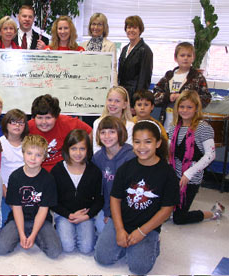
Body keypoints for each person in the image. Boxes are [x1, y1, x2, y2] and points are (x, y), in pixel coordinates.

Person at [94, 120, 179, 274]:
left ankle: (154, 243)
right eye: (137, 142)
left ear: (158, 143)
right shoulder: (126, 168)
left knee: (139, 269)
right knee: (102, 258)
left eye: (148, 142)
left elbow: (166, 209)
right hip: (121, 221)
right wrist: (119, 229)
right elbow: (115, 199)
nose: (142, 147)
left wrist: (142, 232)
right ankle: (127, 244)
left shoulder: (167, 174)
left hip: (148, 226)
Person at [0, 134, 62, 258]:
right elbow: (16, 207)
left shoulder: (48, 179)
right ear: (23, 153)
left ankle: (34, 235)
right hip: (18, 218)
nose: (33, 158)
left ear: (44, 158)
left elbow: (43, 209)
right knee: (1, 248)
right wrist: (21, 234)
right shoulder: (15, 177)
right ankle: (26, 234)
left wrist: (33, 234)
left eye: (38, 155)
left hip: (40, 220)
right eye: (29, 153)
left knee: (55, 252)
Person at [169, 90, 224, 224]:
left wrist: (188, 174)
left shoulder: (203, 128)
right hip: (174, 175)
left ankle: (213, 212)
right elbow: (170, 153)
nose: (185, 110)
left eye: (189, 107)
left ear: (196, 109)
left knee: (179, 219)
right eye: (182, 107)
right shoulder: (174, 127)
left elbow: (210, 155)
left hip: (191, 178)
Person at [51, 129, 103, 254]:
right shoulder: (57, 170)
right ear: (67, 149)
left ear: (88, 150)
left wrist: (87, 216)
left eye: (82, 149)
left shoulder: (94, 171)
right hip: (64, 214)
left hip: (86, 214)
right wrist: (69, 215)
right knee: (67, 246)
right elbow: (52, 200)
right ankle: (59, 227)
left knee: (86, 248)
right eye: (74, 148)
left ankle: (89, 228)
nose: (78, 153)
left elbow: (99, 199)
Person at [153, 42, 212, 132]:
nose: (185, 58)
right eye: (182, 55)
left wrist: (185, 98)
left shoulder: (197, 77)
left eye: (189, 56)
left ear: (193, 58)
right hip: (167, 122)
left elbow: (206, 98)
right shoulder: (168, 76)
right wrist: (168, 97)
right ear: (176, 58)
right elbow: (155, 96)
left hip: (189, 124)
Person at [92, 116, 135, 233]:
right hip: (107, 206)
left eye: (112, 132)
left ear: (120, 133)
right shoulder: (98, 157)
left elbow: (131, 192)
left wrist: (114, 215)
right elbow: (101, 190)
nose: (107, 136)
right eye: (103, 132)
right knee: (102, 230)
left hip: (128, 208)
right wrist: (107, 212)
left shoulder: (131, 157)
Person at [28, 94, 92, 172]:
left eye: (48, 118)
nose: (44, 122)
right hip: (37, 170)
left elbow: (91, 133)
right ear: (34, 117)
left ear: (56, 117)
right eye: (39, 118)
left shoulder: (67, 122)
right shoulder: (27, 127)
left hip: (62, 170)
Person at [0, 109, 29, 228]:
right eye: (13, 122)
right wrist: (8, 196)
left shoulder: (29, 143)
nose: (17, 126)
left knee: (27, 223)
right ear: (6, 124)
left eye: (21, 123)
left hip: (26, 190)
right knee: (4, 224)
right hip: (5, 190)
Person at [117, 15, 153, 106]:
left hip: (135, 97)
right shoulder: (125, 49)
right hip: (123, 94)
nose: (131, 30)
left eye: (135, 27)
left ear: (140, 30)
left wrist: (136, 102)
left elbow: (144, 79)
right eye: (129, 27)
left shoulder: (145, 50)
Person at [93, 86, 134, 153]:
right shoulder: (98, 123)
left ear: (124, 104)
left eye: (117, 101)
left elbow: (129, 150)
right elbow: (96, 148)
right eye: (110, 100)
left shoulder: (130, 126)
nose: (112, 104)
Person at [81, 13, 117, 86]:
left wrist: (113, 87)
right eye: (93, 24)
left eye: (99, 24)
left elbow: (113, 69)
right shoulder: (83, 45)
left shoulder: (110, 45)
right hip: (85, 84)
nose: (96, 27)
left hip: (102, 84)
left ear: (104, 27)